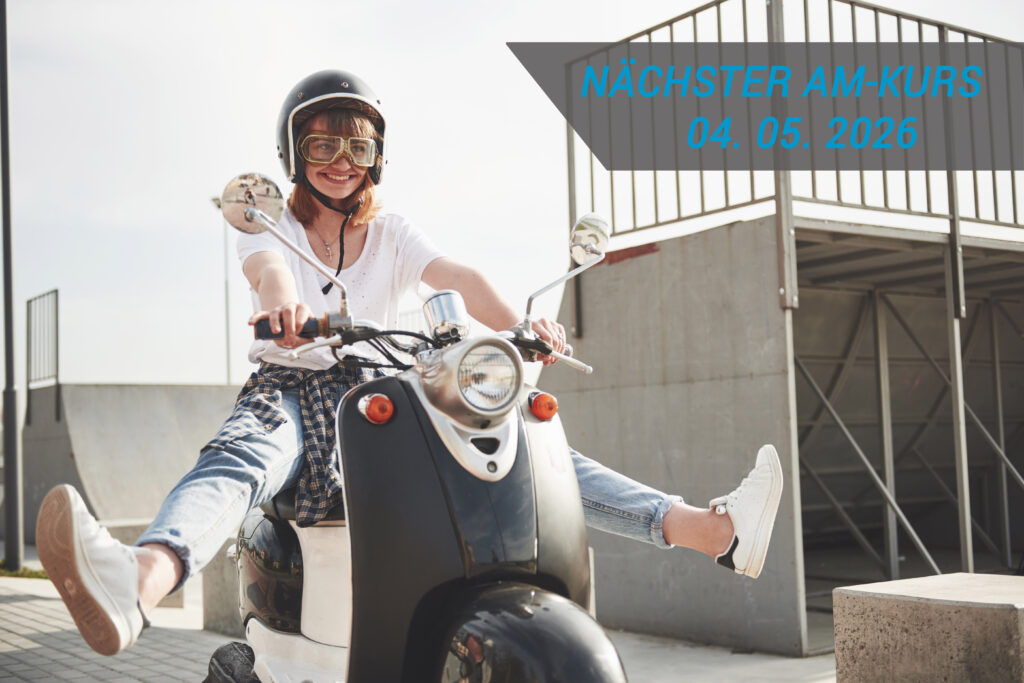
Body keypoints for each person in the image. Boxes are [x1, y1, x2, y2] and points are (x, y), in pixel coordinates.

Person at [35, 70, 783, 657]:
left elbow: (457, 276)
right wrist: (286, 310)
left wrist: (520, 325)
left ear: (377, 159)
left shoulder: (391, 231)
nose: (341, 163)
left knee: (519, 448)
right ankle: (139, 583)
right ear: (295, 155)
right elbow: (270, 274)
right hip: (293, 383)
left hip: (381, 396)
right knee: (247, 455)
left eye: (357, 148)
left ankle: (711, 531)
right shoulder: (270, 223)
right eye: (323, 147)